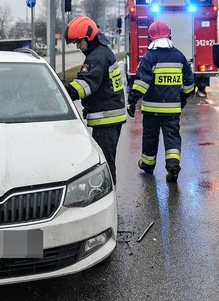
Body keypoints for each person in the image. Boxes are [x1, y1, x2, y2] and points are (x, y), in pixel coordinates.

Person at [126, 20, 195, 183]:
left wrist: (132, 101)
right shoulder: (179, 56)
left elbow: (141, 82)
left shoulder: (149, 57)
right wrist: (182, 98)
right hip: (172, 110)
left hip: (151, 110)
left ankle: (148, 165)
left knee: (150, 137)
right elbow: (190, 83)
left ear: (150, 38)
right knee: (172, 137)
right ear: (169, 34)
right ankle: (173, 167)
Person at [63, 16, 126, 185]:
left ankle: (108, 198)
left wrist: (62, 93)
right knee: (104, 160)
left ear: (88, 37)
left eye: (79, 42)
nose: (78, 46)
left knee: (104, 163)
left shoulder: (97, 57)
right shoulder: (101, 52)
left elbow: (86, 85)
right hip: (109, 116)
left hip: (107, 118)